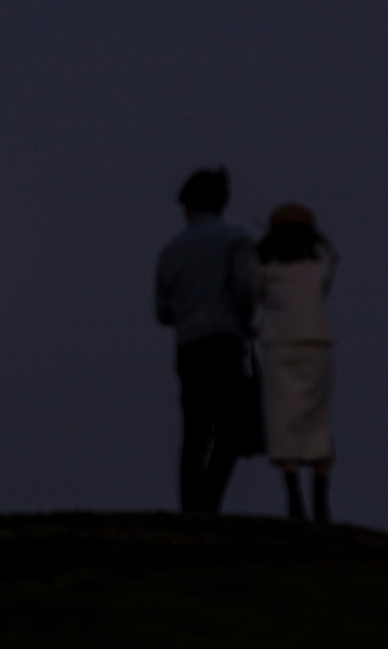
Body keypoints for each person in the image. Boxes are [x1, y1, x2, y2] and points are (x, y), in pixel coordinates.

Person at [156, 168, 264, 513]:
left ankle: (191, 509)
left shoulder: (172, 250)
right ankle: (209, 505)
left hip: (189, 347)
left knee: (194, 431)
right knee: (229, 430)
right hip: (225, 342)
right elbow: (247, 290)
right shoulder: (237, 240)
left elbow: (162, 310)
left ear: (187, 205)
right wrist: (244, 322)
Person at [254, 203, 339, 522]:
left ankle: (293, 497)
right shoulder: (322, 257)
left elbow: (256, 292)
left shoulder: (264, 259)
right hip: (318, 338)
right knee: (318, 419)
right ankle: (321, 497)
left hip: (279, 341)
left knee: (283, 420)